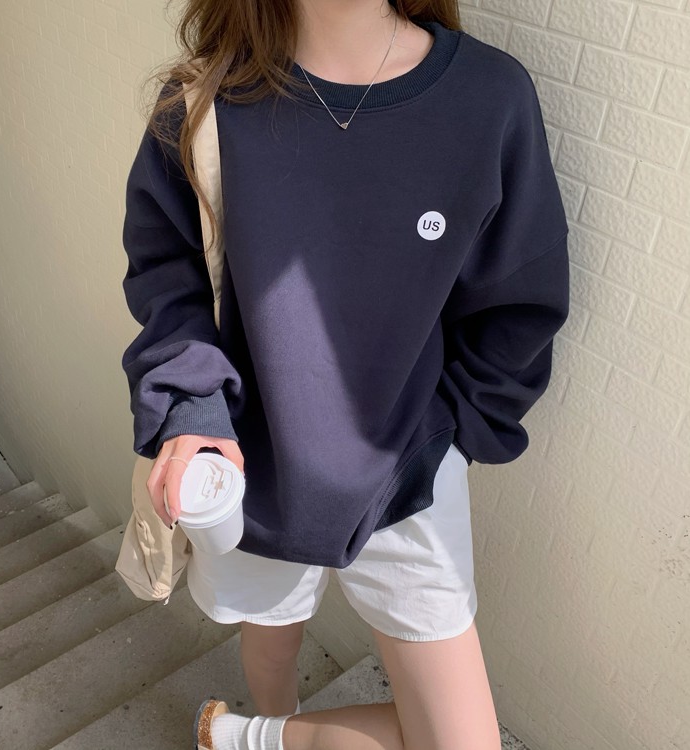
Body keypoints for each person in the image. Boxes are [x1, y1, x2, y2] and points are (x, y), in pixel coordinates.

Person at [119, 0, 570, 748]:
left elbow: (519, 298)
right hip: (245, 466)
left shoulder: (489, 97)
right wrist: (192, 408)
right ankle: (261, 727)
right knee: (271, 641)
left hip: (410, 470)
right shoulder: (205, 101)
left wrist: (454, 438)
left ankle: (243, 739)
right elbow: (168, 276)